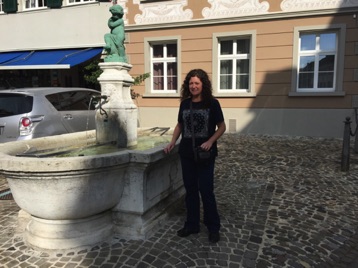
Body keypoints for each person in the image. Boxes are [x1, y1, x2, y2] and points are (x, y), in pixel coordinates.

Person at [164, 69, 226, 243]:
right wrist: (172, 141)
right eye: (191, 83)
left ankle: (213, 227)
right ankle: (192, 224)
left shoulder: (212, 104)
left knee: (206, 191)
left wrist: (210, 142)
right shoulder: (185, 104)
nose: (193, 86)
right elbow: (180, 125)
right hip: (187, 153)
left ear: (203, 84)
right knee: (190, 191)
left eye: (197, 83)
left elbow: (222, 127)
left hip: (206, 154)